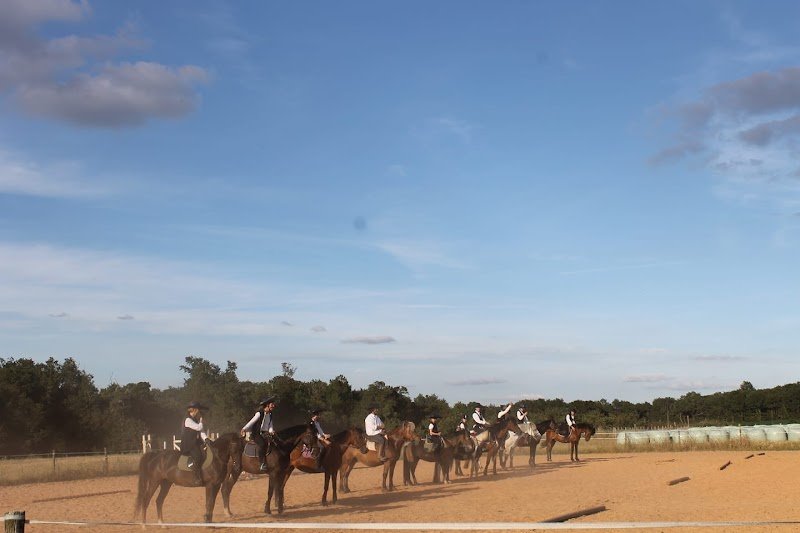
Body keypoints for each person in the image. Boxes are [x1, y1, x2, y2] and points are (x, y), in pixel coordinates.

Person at [240, 396, 277, 471]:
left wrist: (271, 431)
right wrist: (244, 428)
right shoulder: (259, 413)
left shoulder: (270, 414)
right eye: (272, 404)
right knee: (262, 444)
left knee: (275, 442)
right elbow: (252, 421)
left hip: (265, 433)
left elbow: (270, 425)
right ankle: (262, 463)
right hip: (256, 434)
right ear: (267, 405)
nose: (273, 406)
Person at [180, 401, 209, 484]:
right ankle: (196, 477)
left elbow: (201, 431)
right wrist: (201, 421)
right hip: (189, 444)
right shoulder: (188, 420)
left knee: (207, 453)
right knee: (198, 456)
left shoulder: (195, 419)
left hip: (195, 443)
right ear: (195, 410)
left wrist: (206, 439)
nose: (200, 412)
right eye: (199, 409)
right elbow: (199, 428)